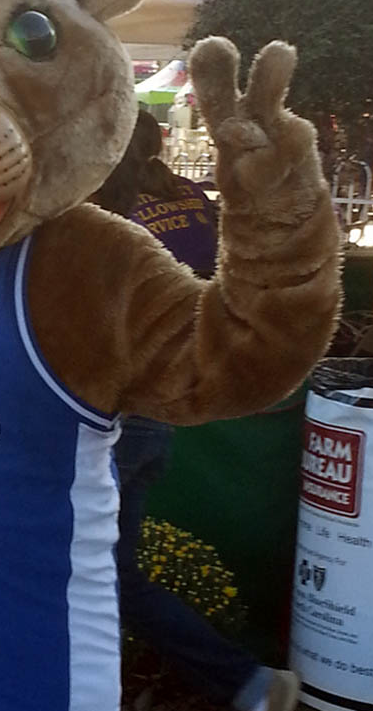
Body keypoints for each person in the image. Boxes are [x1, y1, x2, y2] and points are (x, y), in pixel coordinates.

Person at [94, 109, 299, 711]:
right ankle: (246, 683)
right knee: (110, 577)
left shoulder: (98, 220)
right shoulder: (189, 197)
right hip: (161, 406)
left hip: (109, 415)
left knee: (65, 570)